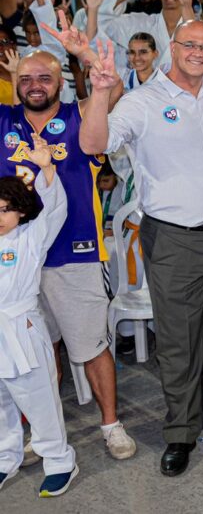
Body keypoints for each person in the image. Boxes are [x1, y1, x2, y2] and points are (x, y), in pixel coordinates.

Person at [80, 20, 203, 478]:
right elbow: (94, 143)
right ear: (173, 47)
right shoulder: (144, 103)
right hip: (174, 240)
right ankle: (181, 432)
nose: (199, 52)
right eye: (190, 45)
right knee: (179, 343)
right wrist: (101, 93)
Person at [0, 36, 136, 463]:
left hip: (74, 252)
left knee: (90, 346)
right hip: (17, 260)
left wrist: (89, 57)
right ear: (13, 81)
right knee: (38, 351)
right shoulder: (4, 121)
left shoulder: (82, 117)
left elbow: (112, 90)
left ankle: (110, 425)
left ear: (61, 81)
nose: (35, 85)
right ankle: (45, 433)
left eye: (45, 77)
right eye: (26, 78)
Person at [0, 132, 76, 497]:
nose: (0, 217)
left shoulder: (32, 235)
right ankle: (4, 458)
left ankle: (61, 460)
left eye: (6, 209)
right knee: (0, 402)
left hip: (21, 328)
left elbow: (55, 207)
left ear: (21, 209)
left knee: (38, 398)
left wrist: (46, 169)